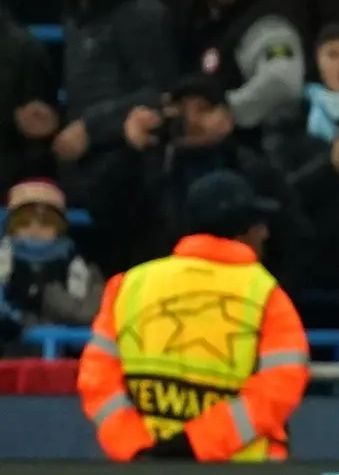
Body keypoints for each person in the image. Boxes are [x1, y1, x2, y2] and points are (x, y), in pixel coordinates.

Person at [76, 170, 310, 462]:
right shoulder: (267, 296)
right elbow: (279, 389)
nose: (265, 233)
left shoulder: (129, 285)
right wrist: (193, 445)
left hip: (143, 465)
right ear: (242, 230)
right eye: (257, 224)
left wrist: (137, 449)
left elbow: (98, 381)